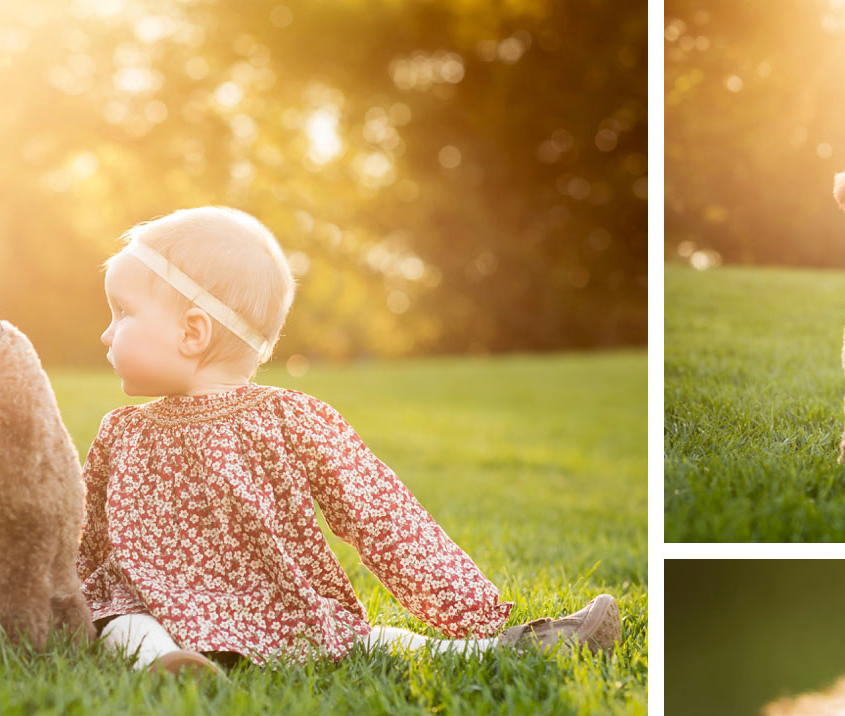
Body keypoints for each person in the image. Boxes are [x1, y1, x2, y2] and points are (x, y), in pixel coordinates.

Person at [79, 205, 618, 677]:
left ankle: (496, 647)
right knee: (127, 620)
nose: (106, 332)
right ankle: (171, 668)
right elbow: (82, 533)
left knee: (352, 635)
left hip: (272, 602)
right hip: (201, 604)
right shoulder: (122, 432)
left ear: (192, 332)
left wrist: (466, 605)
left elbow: (381, 515)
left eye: (122, 312)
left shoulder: (291, 420)